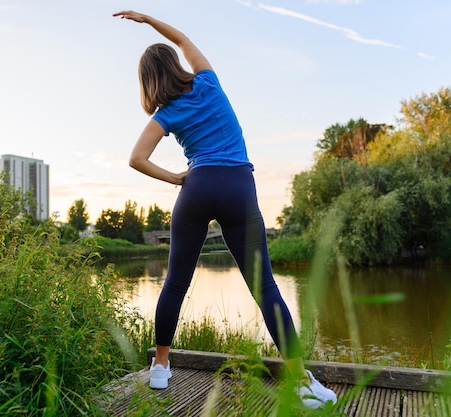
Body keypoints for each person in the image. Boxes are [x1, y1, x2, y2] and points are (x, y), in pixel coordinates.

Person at [113, 10, 337, 408]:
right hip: (236, 185)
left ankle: (161, 367)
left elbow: (136, 158)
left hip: (197, 187)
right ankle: (301, 380)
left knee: (175, 283)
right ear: (175, 65)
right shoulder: (207, 82)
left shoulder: (164, 114)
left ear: (148, 82)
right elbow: (182, 38)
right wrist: (149, 20)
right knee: (265, 285)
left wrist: (177, 179)